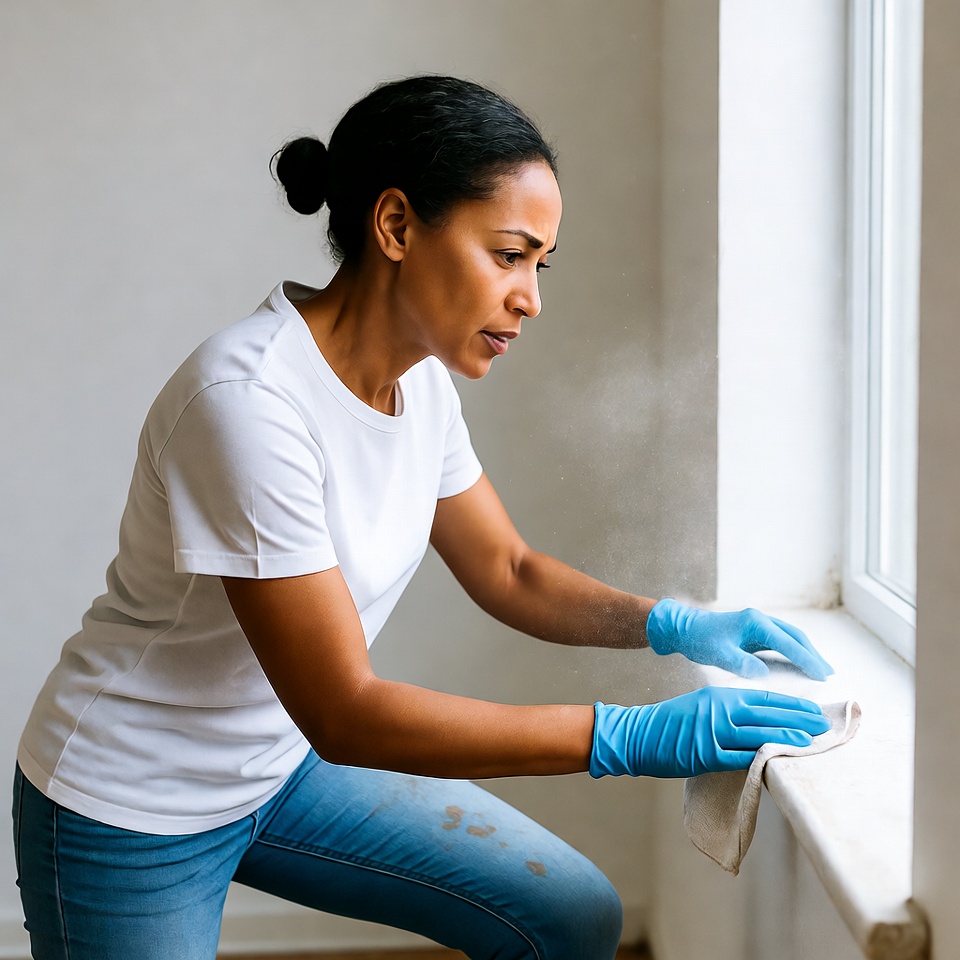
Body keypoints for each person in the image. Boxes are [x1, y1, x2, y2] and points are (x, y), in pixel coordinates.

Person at [12, 75, 834, 960]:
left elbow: (507, 569)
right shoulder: (248, 403)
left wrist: (669, 624)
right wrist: (624, 736)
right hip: (134, 803)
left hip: (277, 771)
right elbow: (346, 711)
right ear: (397, 226)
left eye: (539, 265)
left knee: (569, 917)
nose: (531, 297)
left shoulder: (422, 383)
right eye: (509, 255)